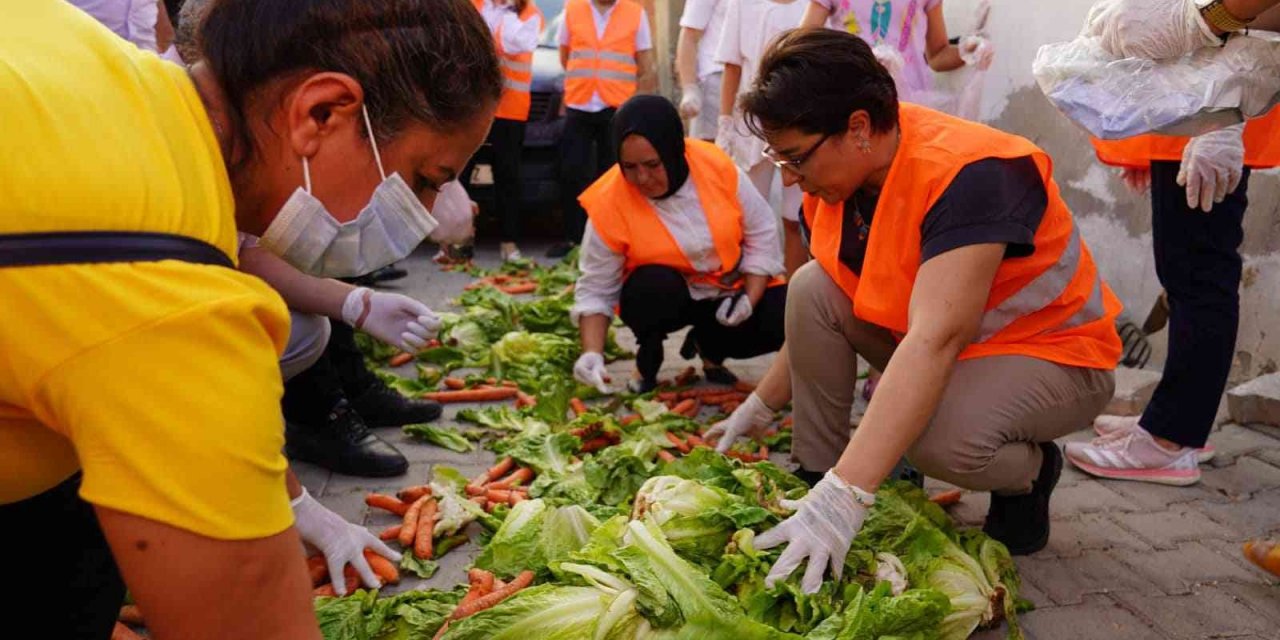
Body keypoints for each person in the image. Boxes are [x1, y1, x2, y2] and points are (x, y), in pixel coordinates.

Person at [0, 1, 501, 638]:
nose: (424, 214)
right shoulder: (167, 287)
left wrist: (294, 502)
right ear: (321, 114)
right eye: (425, 179)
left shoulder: (84, 58)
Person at [728, 29, 1123, 593]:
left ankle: (1031, 474)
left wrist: (849, 496)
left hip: (1055, 356)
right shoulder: (834, 185)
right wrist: (760, 406)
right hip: (954, 351)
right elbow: (830, 307)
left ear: (858, 128)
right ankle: (814, 479)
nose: (789, 177)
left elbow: (935, 340)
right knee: (812, 287)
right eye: (780, 158)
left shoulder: (973, 172)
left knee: (935, 440)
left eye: (795, 158)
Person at [1069, 114, 1280, 485]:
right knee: (1186, 269)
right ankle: (1177, 422)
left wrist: (1224, 126)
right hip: (1193, 119)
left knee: (1199, 269)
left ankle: (1170, 440)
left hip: (1212, 116)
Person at [571, 96, 787, 394]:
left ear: (673, 152)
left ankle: (710, 347)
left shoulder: (716, 167)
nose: (642, 178)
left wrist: (750, 298)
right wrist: (592, 352)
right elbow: (596, 286)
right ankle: (648, 356)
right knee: (651, 286)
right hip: (665, 298)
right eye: (629, 166)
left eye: (652, 164)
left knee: (786, 311)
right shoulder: (609, 201)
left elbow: (761, 231)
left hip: (725, 291)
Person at [551, 0, 658, 259]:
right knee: (572, 172)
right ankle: (574, 239)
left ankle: (612, 239)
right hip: (580, 102)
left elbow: (644, 63)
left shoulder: (635, 13)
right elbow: (565, 55)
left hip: (616, 107)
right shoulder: (573, 9)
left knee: (614, 175)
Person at [716, 0, 810, 277]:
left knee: (796, 217)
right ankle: (749, 286)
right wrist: (725, 122)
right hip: (751, 125)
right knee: (745, 213)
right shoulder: (742, 4)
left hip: (800, 123)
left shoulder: (814, 7)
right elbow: (732, 67)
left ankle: (791, 291)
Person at [461, 0, 544, 263]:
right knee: (460, 174)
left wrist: (507, 13)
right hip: (474, 107)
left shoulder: (529, 13)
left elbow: (513, 44)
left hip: (510, 109)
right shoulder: (473, 6)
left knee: (508, 175)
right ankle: (458, 243)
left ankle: (509, 243)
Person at [676, 0, 728, 142]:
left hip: (753, 77)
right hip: (716, 78)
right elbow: (689, 35)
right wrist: (690, 89)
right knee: (709, 147)